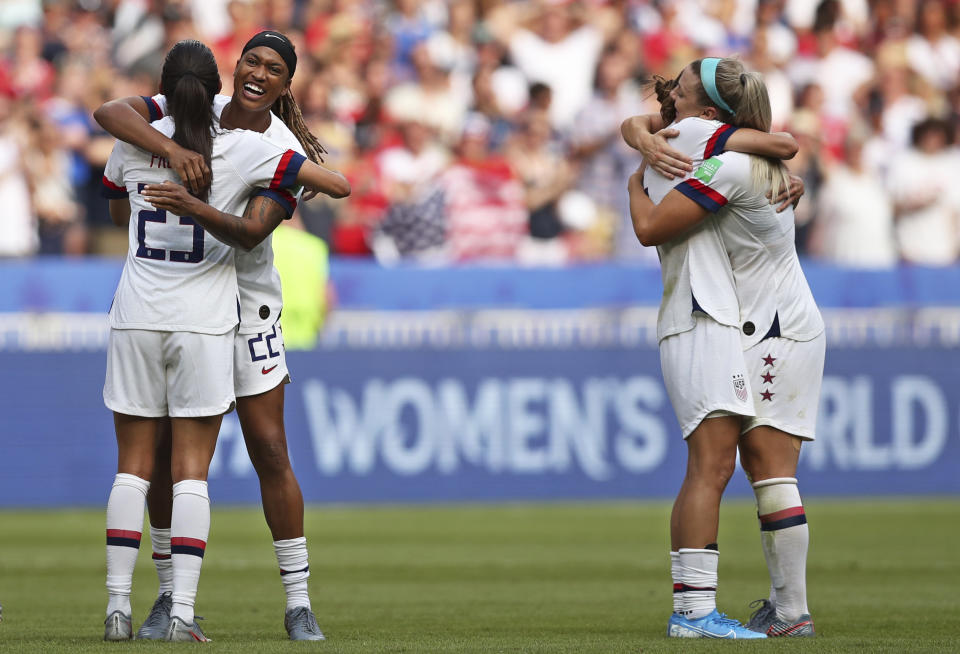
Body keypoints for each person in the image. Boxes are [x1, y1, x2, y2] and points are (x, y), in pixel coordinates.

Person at [95, 31, 349, 642]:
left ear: (287, 86)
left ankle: (297, 600)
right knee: (165, 458)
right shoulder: (194, 107)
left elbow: (253, 234)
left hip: (247, 306)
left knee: (268, 448)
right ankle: (167, 599)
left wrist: (181, 192)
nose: (258, 74)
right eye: (252, 62)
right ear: (234, 67)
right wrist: (173, 151)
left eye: (274, 69)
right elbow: (110, 113)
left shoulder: (280, 149)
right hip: (190, 304)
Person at [626, 57, 824, 639]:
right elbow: (777, 146)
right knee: (768, 469)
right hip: (776, 320)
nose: (667, 96)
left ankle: (735, 612)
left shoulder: (722, 161)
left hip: (766, 326)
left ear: (711, 114)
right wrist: (636, 134)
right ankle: (789, 612)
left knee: (747, 465)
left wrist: (635, 175)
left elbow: (650, 226)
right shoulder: (746, 161)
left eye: (680, 91)